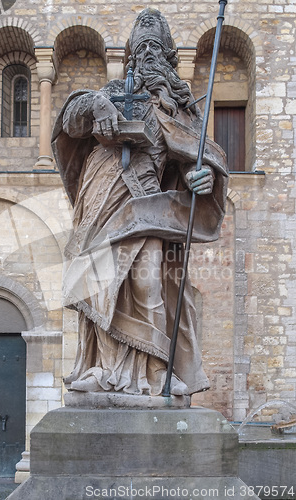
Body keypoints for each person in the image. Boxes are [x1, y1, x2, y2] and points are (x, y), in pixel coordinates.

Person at [52, 8, 228, 397]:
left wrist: (203, 179)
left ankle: (156, 371)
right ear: (131, 54)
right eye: (141, 46)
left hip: (147, 201)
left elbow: (197, 162)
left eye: (156, 46)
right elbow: (70, 119)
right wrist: (95, 106)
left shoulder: (178, 111)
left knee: (150, 280)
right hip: (99, 200)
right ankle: (105, 370)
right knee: (100, 283)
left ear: (167, 56)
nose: (148, 53)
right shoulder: (112, 93)